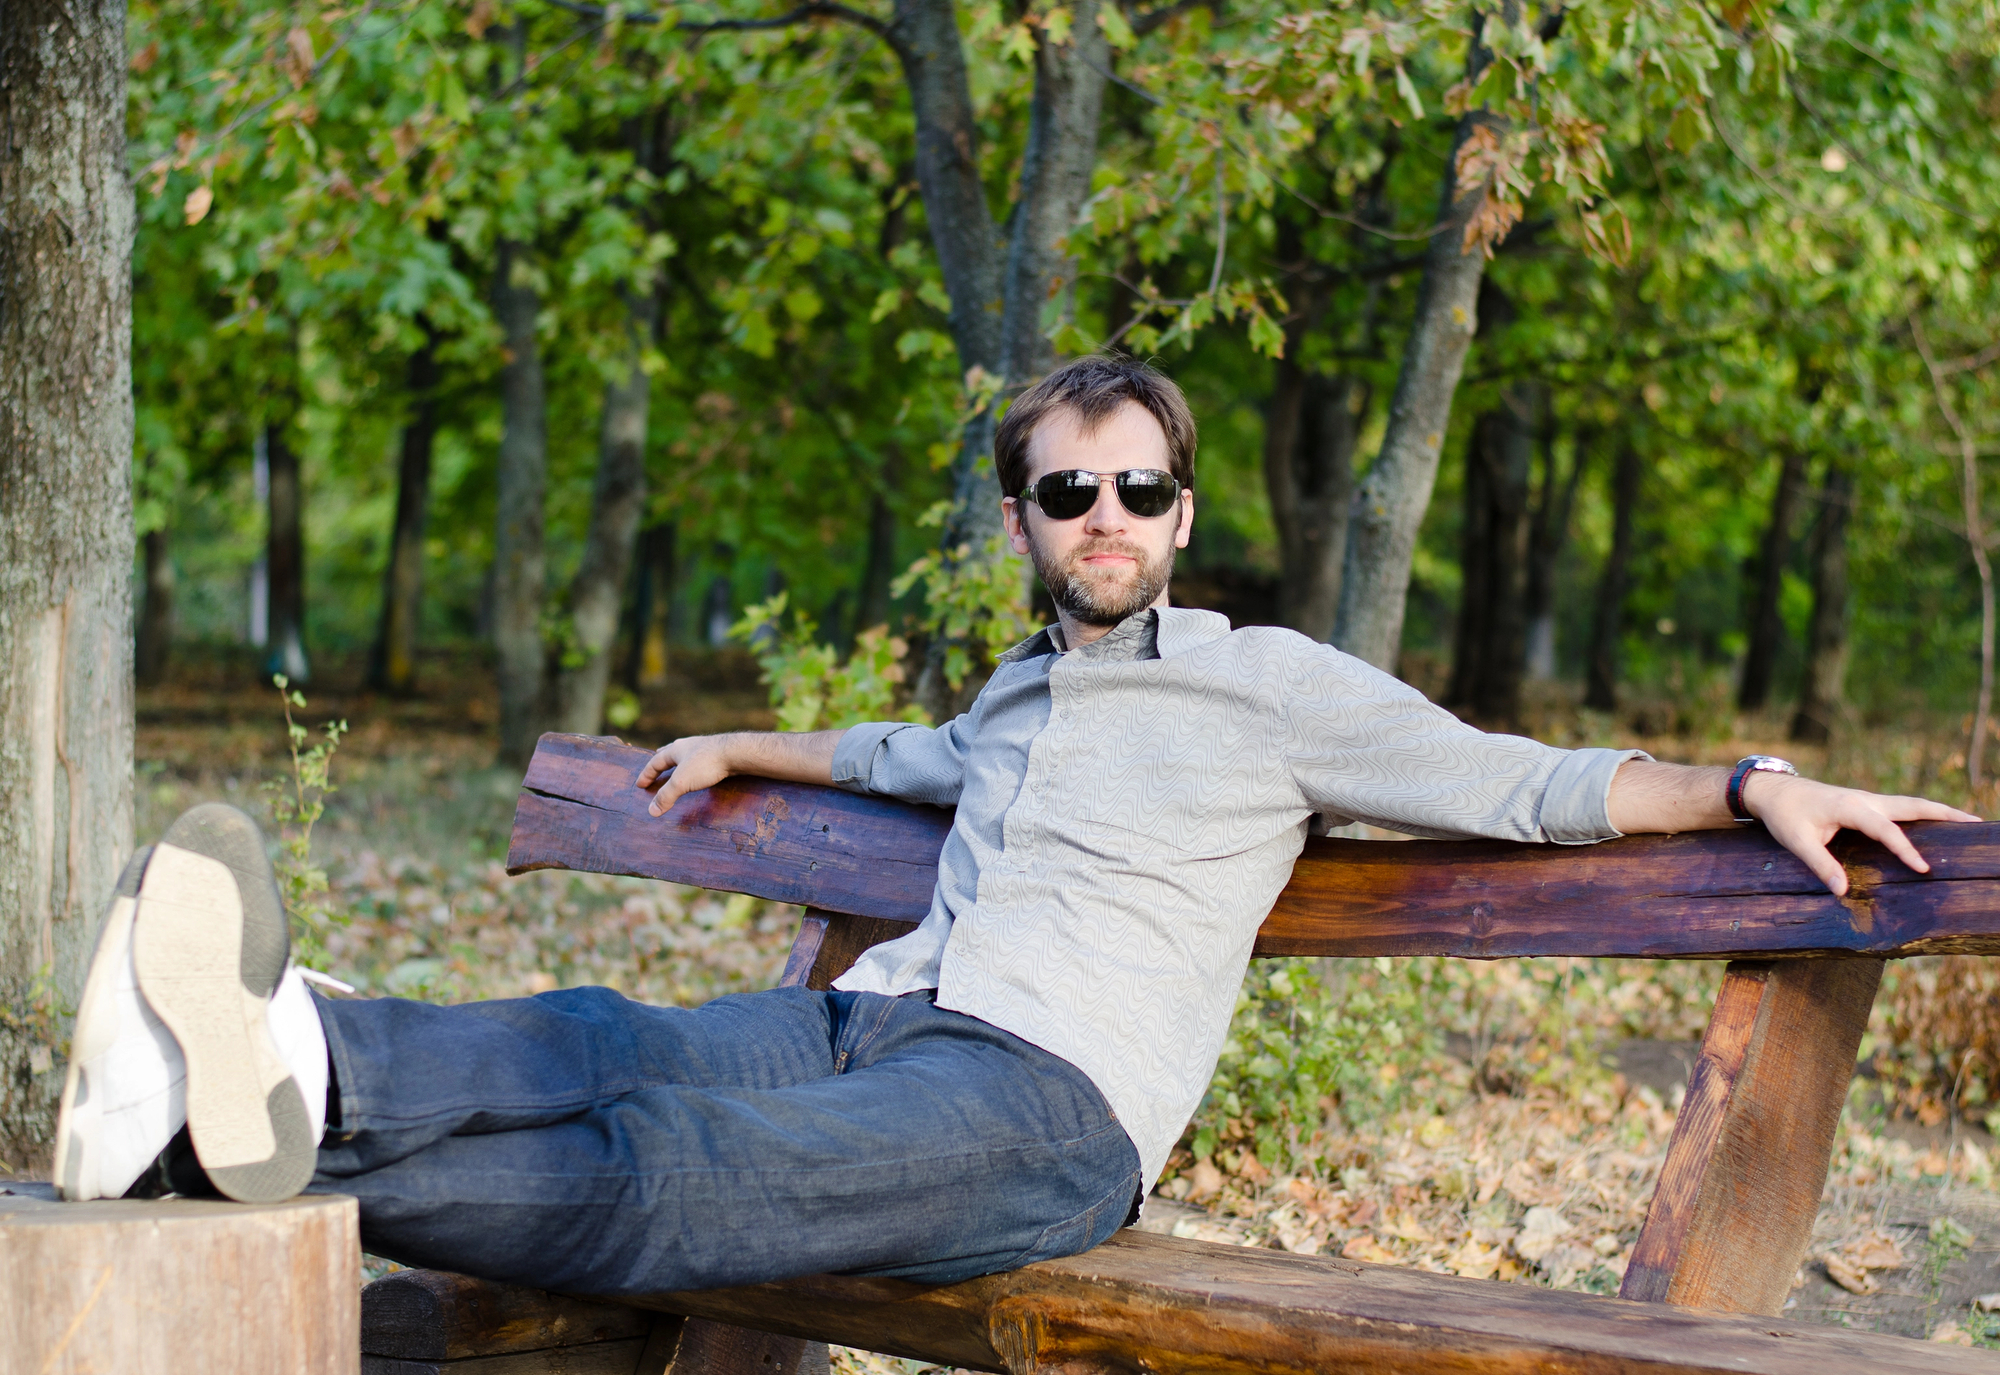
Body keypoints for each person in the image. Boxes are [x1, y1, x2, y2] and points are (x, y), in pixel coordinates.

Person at [54, 355, 1975, 1297]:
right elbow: (906, 755)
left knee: (677, 1160)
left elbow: (1531, 786)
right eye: (1072, 492)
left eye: (1144, 487)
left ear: (1186, 513)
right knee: (593, 1031)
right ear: (1027, 520)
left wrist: (1750, 783)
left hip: (1046, 1105)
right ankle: (283, 1046)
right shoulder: (1020, 694)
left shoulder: (1276, 685)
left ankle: (221, 1184)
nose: (1110, 518)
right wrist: (742, 743)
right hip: (879, 1017)